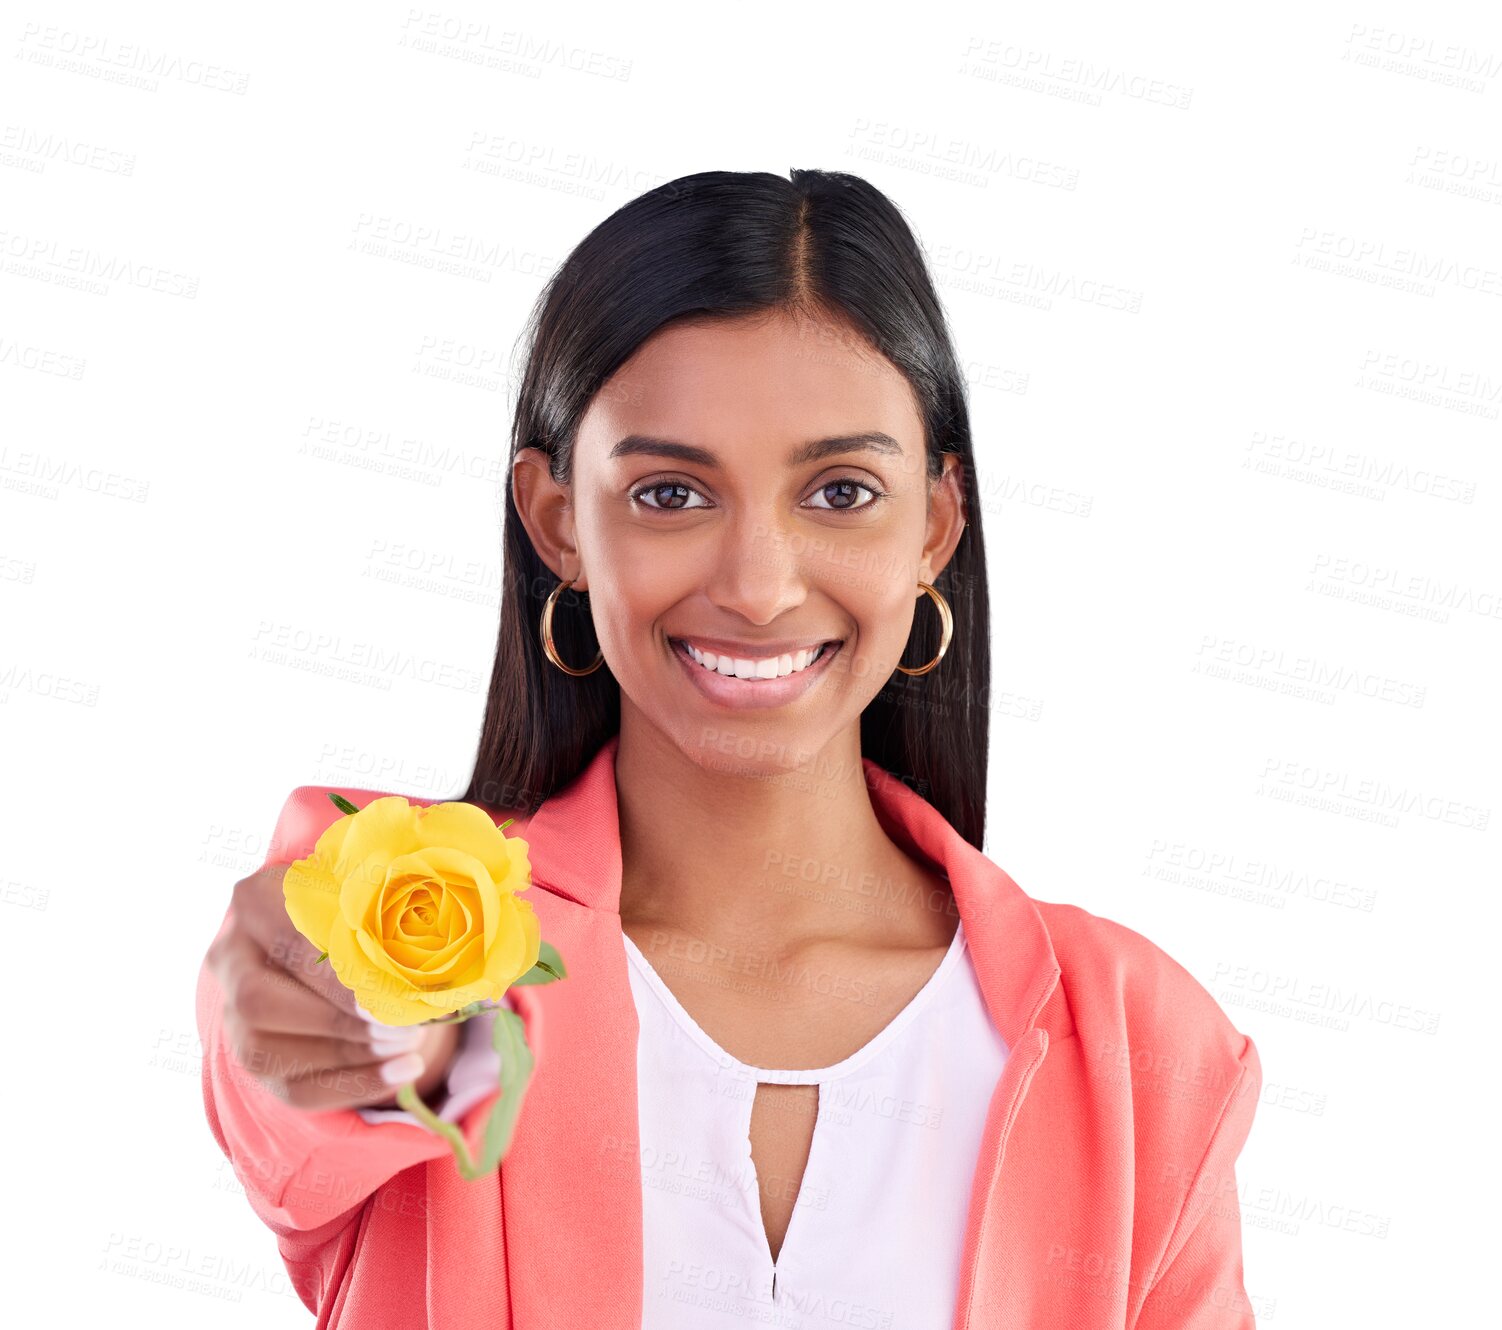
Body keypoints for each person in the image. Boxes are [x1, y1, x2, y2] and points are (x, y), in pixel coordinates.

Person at [197, 168, 1262, 1328]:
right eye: (667, 493)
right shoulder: (449, 950)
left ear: (934, 527)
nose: (758, 587)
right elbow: (318, 1076)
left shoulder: (1131, 1044)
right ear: (557, 522)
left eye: (842, 490)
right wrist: (327, 1008)